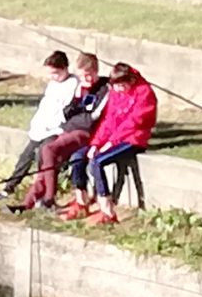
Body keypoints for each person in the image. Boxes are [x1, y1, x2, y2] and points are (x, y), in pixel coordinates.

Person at [67, 63, 157, 225]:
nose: (119, 90)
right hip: (112, 138)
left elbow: (134, 122)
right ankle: (81, 202)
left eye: (123, 86)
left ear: (131, 80)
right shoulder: (115, 92)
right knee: (78, 157)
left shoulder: (144, 93)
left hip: (133, 139)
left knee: (97, 162)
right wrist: (96, 143)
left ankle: (107, 210)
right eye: (116, 86)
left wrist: (111, 143)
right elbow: (108, 121)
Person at [17, 53, 107, 213]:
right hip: (69, 129)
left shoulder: (103, 89)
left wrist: (75, 115)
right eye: (81, 76)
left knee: (48, 149)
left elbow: (90, 118)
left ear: (94, 71)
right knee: (48, 159)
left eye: (87, 75)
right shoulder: (83, 89)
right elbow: (69, 112)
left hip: (84, 133)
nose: (84, 79)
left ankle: (49, 199)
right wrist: (78, 98)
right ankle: (28, 202)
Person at [1, 52, 80, 196]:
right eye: (50, 74)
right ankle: (9, 186)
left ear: (65, 68)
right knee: (26, 155)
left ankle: (40, 190)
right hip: (43, 126)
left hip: (58, 129)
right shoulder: (53, 85)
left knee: (43, 154)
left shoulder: (73, 85)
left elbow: (67, 111)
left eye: (56, 73)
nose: (53, 77)